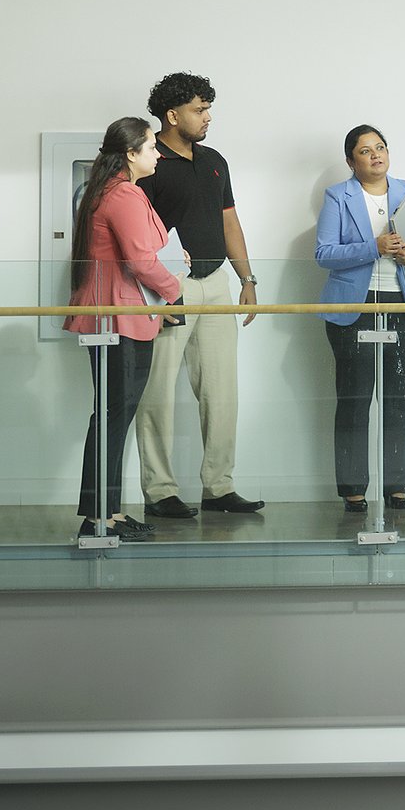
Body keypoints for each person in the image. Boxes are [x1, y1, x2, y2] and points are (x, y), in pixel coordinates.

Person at [135, 71, 266, 520]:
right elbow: (137, 236)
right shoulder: (148, 162)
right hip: (170, 289)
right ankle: (159, 491)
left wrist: (247, 280)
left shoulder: (214, 160)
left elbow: (230, 221)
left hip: (217, 287)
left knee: (221, 390)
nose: (208, 117)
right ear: (172, 115)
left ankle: (219, 486)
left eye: (208, 108)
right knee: (158, 393)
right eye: (199, 109)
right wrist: (162, 291)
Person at [313, 125, 405, 513]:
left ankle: (396, 487)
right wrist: (373, 247)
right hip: (353, 310)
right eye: (366, 150)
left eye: (381, 148)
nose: (376, 155)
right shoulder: (338, 196)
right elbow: (323, 253)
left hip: (401, 303)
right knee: (354, 400)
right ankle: (353, 490)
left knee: (398, 400)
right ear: (351, 161)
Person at [67, 116, 186, 542]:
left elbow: (139, 256)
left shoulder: (113, 192)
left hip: (119, 315)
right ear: (131, 153)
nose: (158, 153)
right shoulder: (123, 195)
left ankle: (108, 512)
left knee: (114, 417)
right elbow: (140, 261)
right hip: (117, 319)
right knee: (113, 418)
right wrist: (174, 291)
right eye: (152, 147)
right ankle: (98, 516)